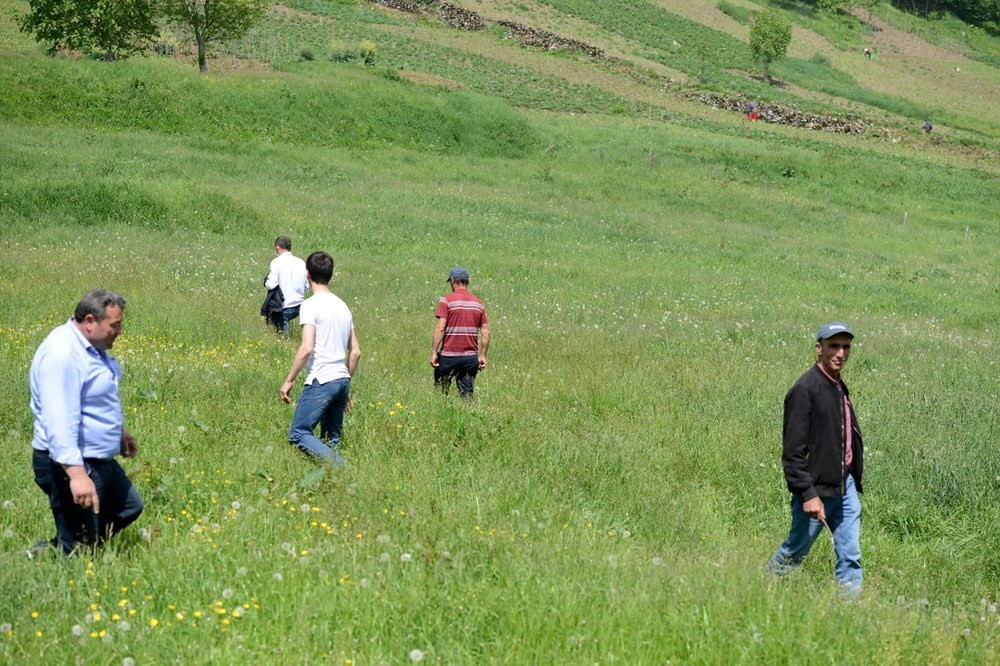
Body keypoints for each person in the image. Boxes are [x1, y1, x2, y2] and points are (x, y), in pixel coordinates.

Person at [29, 290, 143, 556]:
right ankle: (64, 560)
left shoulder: (91, 347)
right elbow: (58, 420)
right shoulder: (62, 355)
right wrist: (77, 475)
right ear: (90, 321)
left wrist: (117, 433)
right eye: (115, 325)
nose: (120, 331)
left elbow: (92, 399)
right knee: (78, 546)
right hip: (70, 462)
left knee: (128, 506)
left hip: (96, 457)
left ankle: (71, 545)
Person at [767, 322, 865, 593]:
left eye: (846, 347)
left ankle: (849, 612)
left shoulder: (837, 385)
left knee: (850, 554)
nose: (841, 353)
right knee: (796, 551)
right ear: (818, 348)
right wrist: (808, 495)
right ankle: (762, 590)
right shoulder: (805, 389)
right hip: (817, 490)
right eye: (834, 346)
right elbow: (792, 453)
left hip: (844, 486)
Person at [280, 252, 361, 466]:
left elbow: (307, 347)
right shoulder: (343, 307)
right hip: (341, 380)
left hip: (322, 379)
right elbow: (355, 352)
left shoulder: (310, 305)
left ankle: (342, 469)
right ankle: (333, 485)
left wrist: (289, 381)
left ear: (307, 274)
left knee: (298, 434)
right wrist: (345, 382)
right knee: (330, 441)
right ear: (330, 275)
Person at [430, 267, 490, 399]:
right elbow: (486, 332)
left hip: (448, 357)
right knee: (467, 396)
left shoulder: (446, 300)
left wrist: (434, 352)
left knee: (440, 393)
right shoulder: (479, 303)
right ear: (468, 280)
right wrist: (483, 355)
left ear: (452, 280)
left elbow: (440, 328)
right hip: (470, 358)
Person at [264, 236, 309, 335]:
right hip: (300, 305)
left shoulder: (277, 262)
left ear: (277, 247)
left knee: (281, 332)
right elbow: (306, 286)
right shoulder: (300, 262)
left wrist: (266, 281)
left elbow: (271, 285)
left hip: (286, 305)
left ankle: (285, 344)